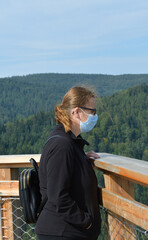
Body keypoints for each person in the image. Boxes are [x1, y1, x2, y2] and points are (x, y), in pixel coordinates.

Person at [35, 86, 101, 240]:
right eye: (92, 111)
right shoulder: (62, 146)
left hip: (65, 232)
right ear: (76, 112)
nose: (95, 116)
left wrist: (83, 161)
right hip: (62, 232)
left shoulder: (69, 143)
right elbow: (58, 196)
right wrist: (86, 222)